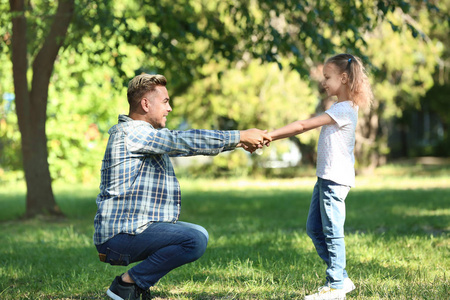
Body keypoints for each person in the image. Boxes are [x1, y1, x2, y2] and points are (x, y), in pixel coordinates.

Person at [94, 74, 271, 300]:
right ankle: (127, 284)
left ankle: (135, 284)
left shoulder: (144, 136)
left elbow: (181, 142)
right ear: (145, 104)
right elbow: (183, 141)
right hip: (120, 237)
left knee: (198, 234)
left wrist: (240, 142)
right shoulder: (134, 133)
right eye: (165, 101)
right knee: (193, 240)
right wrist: (239, 135)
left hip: (131, 231)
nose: (170, 108)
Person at [269, 54, 373, 300]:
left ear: (344, 78)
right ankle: (341, 277)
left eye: (328, 77)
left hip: (334, 181)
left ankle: (336, 285)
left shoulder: (344, 109)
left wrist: (270, 136)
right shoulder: (341, 107)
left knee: (333, 231)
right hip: (325, 178)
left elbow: (303, 126)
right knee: (315, 228)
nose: (324, 82)